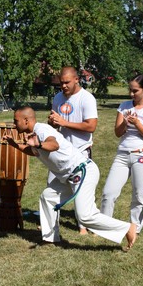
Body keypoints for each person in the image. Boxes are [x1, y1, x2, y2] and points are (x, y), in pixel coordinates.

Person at [5, 106, 137, 250]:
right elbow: (33, 151)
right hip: (68, 176)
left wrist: (39, 144)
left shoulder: (41, 130)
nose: (14, 124)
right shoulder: (34, 134)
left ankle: (127, 228)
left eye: (16, 121)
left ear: (26, 120)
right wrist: (15, 144)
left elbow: (53, 145)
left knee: (85, 216)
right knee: (48, 197)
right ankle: (50, 239)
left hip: (82, 171)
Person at [101, 73, 143, 235]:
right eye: (130, 90)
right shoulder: (124, 106)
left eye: (135, 91)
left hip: (142, 155)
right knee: (108, 192)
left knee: (139, 196)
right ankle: (104, 226)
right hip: (122, 155)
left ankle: (135, 229)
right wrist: (126, 123)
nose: (131, 94)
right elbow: (117, 133)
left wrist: (138, 124)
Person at [48, 66, 98, 235]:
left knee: (80, 189)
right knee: (51, 188)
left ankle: (83, 225)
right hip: (59, 150)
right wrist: (53, 123)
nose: (63, 86)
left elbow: (91, 126)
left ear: (77, 79)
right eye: (61, 83)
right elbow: (56, 126)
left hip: (80, 150)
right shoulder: (58, 98)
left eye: (67, 82)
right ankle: (51, 223)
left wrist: (64, 123)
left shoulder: (86, 98)